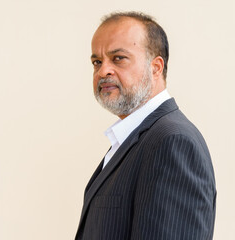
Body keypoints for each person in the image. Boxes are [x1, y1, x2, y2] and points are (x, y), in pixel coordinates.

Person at [75, 12, 216, 240]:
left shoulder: (173, 142)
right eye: (97, 62)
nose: (103, 71)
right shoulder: (134, 139)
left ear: (156, 67)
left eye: (118, 58)